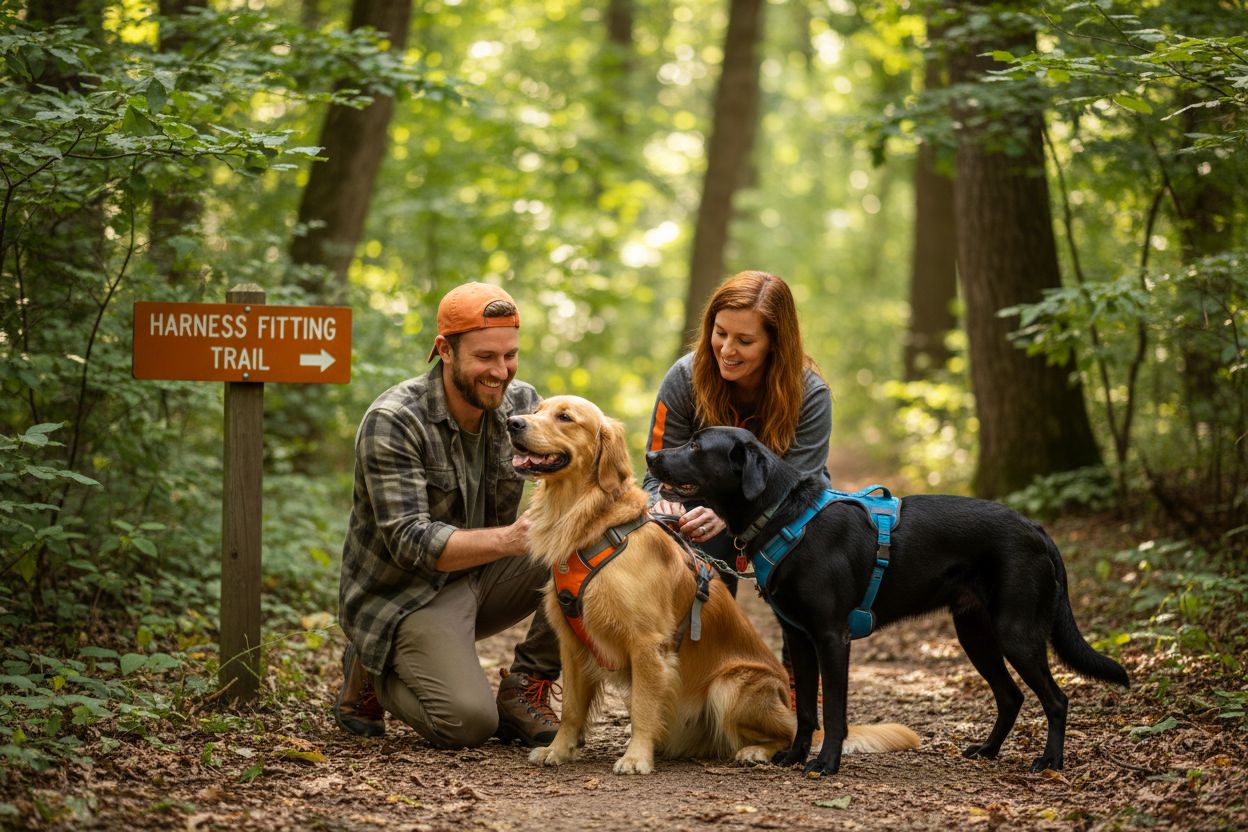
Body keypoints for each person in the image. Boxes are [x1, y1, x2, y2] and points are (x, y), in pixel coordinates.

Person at [335, 282, 562, 748]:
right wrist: (513, 540)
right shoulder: (395, 419)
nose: (501, 372)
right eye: (485, 357)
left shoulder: (522, 404)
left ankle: (525, 687)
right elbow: (410, 542)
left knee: (588, 547)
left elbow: (570, 465)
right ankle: (371, 664)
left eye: (510, 355)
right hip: (407, 594)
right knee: (469, 724)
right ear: (446, 350)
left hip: (480, 574)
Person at [644, 270, 831, 625]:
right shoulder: (684, 379)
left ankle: (798, 671)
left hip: (784, 512)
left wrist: (727, 515)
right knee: (676, 538)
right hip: (699, 506)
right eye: (720, 333)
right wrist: (666, 505)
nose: (727, 350)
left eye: (745, 341)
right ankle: (700, 656)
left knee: (811, 545)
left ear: (775, 342)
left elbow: (804, 489)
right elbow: (655, 477)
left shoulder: (812, 395)